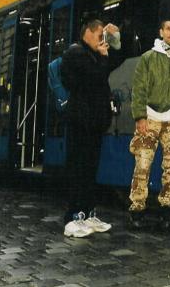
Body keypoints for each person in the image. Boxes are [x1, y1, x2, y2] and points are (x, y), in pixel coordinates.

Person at [127, 18, 170, 231]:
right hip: (150, 118)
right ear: (161, 32)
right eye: (168, 29)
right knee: (143, 164)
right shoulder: (148, 58)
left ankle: (166, 209)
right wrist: (140, 117)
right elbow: (139, 89)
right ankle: (137, 209)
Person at [59, 19, 119, 237]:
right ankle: (73, 218)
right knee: (79, 170)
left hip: (93, 123)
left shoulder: (93, 55)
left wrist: (116, 37)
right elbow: (95, 78)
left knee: (90, 171)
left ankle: (88, 213)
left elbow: (112, 64)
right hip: (81, 122)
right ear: (89, 33)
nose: (102, 39)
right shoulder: (76, 53)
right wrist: (103, 58)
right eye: (100, 35)